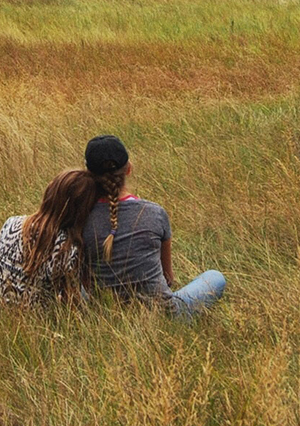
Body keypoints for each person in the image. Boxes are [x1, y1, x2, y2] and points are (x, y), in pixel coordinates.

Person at [80, 134, 225, 319]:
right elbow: (167, 277)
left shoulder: (79, 217)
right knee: (215, 277)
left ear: (87, 172)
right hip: (163, 314)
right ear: (129, 169)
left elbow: (82, 279)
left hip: (104, 316)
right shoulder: (154, 212)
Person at [0, 168, 95, 308]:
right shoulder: (68, 248)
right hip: (37, 320)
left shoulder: (11, 223)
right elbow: (70, 302)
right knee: (85, 295)